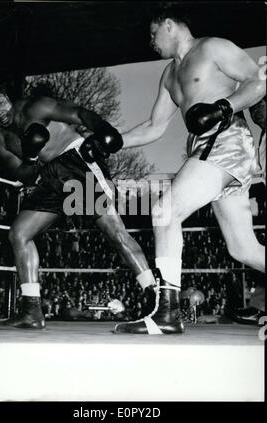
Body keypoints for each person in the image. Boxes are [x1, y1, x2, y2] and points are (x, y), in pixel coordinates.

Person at [114, 4, 265, 334]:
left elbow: (257, 82)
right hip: (205, 150)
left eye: (153, 33)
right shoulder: (169, 74)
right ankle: (167, 313)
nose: (151, 41)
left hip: (228, 140)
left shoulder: (212, 47)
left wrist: (223, 108)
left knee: (165, 211)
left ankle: (167, 313)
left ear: (169, 25)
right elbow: (154, 126)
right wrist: (112, 141)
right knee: (243, 249)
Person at [0, 82, 158, 330]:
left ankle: (154, 297)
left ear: (7, 96)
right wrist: (30, 155)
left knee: (114, 231)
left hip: (76, 163)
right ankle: (31, 310)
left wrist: (102, 129)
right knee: (19, 233)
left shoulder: (36, 106)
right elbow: (24, 175)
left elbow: (79, 113)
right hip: (48, 175)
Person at [225, 96, 266, 325]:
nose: (255, 112)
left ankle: (259, 306)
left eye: (260, 106)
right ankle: (259, 307)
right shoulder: (261, 137)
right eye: (252, 108)